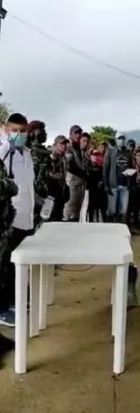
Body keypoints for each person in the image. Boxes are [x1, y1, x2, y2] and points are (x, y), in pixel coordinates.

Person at [0, 113, 33, 326]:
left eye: (22, 131)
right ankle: (2, 309)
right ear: (6, 130)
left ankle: (13, 301)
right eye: (14, 130)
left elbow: (29, 185)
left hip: (27, 215)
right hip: (8, 218)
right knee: (3, 264)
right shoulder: (2, 153)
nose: (18, 135)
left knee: (16, 263)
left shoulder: (28, 153)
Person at [63, 125, 87, 221]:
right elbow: (70, 166)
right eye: (75, 133)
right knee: (70, 211)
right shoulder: (69, 147)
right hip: (72, 183)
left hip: (80, 183)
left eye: (79, 133)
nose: (78, 135)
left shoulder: (78, 148)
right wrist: (84, 174)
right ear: (70, 134)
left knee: (77, 211)